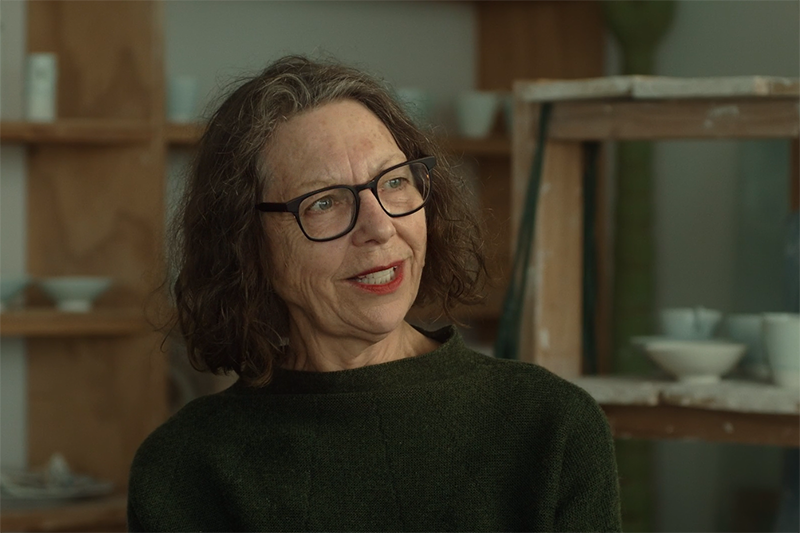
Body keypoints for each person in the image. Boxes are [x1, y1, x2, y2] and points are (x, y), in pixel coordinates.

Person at [128, 55, 621, 532]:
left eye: (394, 181)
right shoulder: (185, 469)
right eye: (324, 202)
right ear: (245, 243)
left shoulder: (550, 426)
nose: (380, 228)